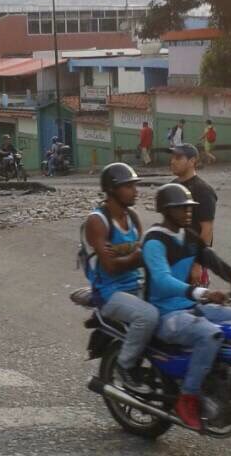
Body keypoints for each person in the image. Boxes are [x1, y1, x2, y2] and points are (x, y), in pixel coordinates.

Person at [141, 183, 231, 430]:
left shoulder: (188, 237)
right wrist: (202, 292)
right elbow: (162, 280)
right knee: (210, 335)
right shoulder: (154, 241)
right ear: (166, 210)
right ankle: (188, 397)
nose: (189, 212)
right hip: (166, 314)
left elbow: (214, 262)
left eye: (190, 208)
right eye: (182, 208)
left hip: (191, 305)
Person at [81, 163, 158, 388]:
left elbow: (142, 250)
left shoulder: (132, 216)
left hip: (136, 284)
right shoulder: (97, 221)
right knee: (148, 316)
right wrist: (141, 256)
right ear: (112, 190)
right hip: (109, 292)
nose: (135, 191)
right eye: (129, 186)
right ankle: (125, 365)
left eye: (135, 186)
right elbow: (111, 267)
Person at [169, 143, 218, 247]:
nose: (172, 161)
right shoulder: (171, 187)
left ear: (192, 161)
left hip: (192, 255)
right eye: (172, 158)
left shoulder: (203, 190)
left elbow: (207, 230)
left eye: (178, 158)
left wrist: (198, 260)